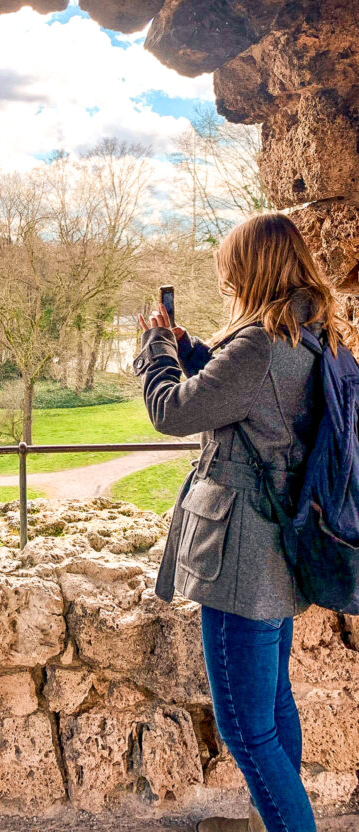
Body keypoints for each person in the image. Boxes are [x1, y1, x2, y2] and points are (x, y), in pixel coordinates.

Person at [132, 212, 349, 832]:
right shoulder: (310, 332)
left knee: (245, 730)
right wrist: (192, 349)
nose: (226, 282)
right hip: (278, 550)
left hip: (241, 555)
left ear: (253, 269)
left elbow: (173, 411)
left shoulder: (259, 346)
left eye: (231, 271)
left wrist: (155, 350)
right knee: (273, 707)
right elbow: (251, 399)